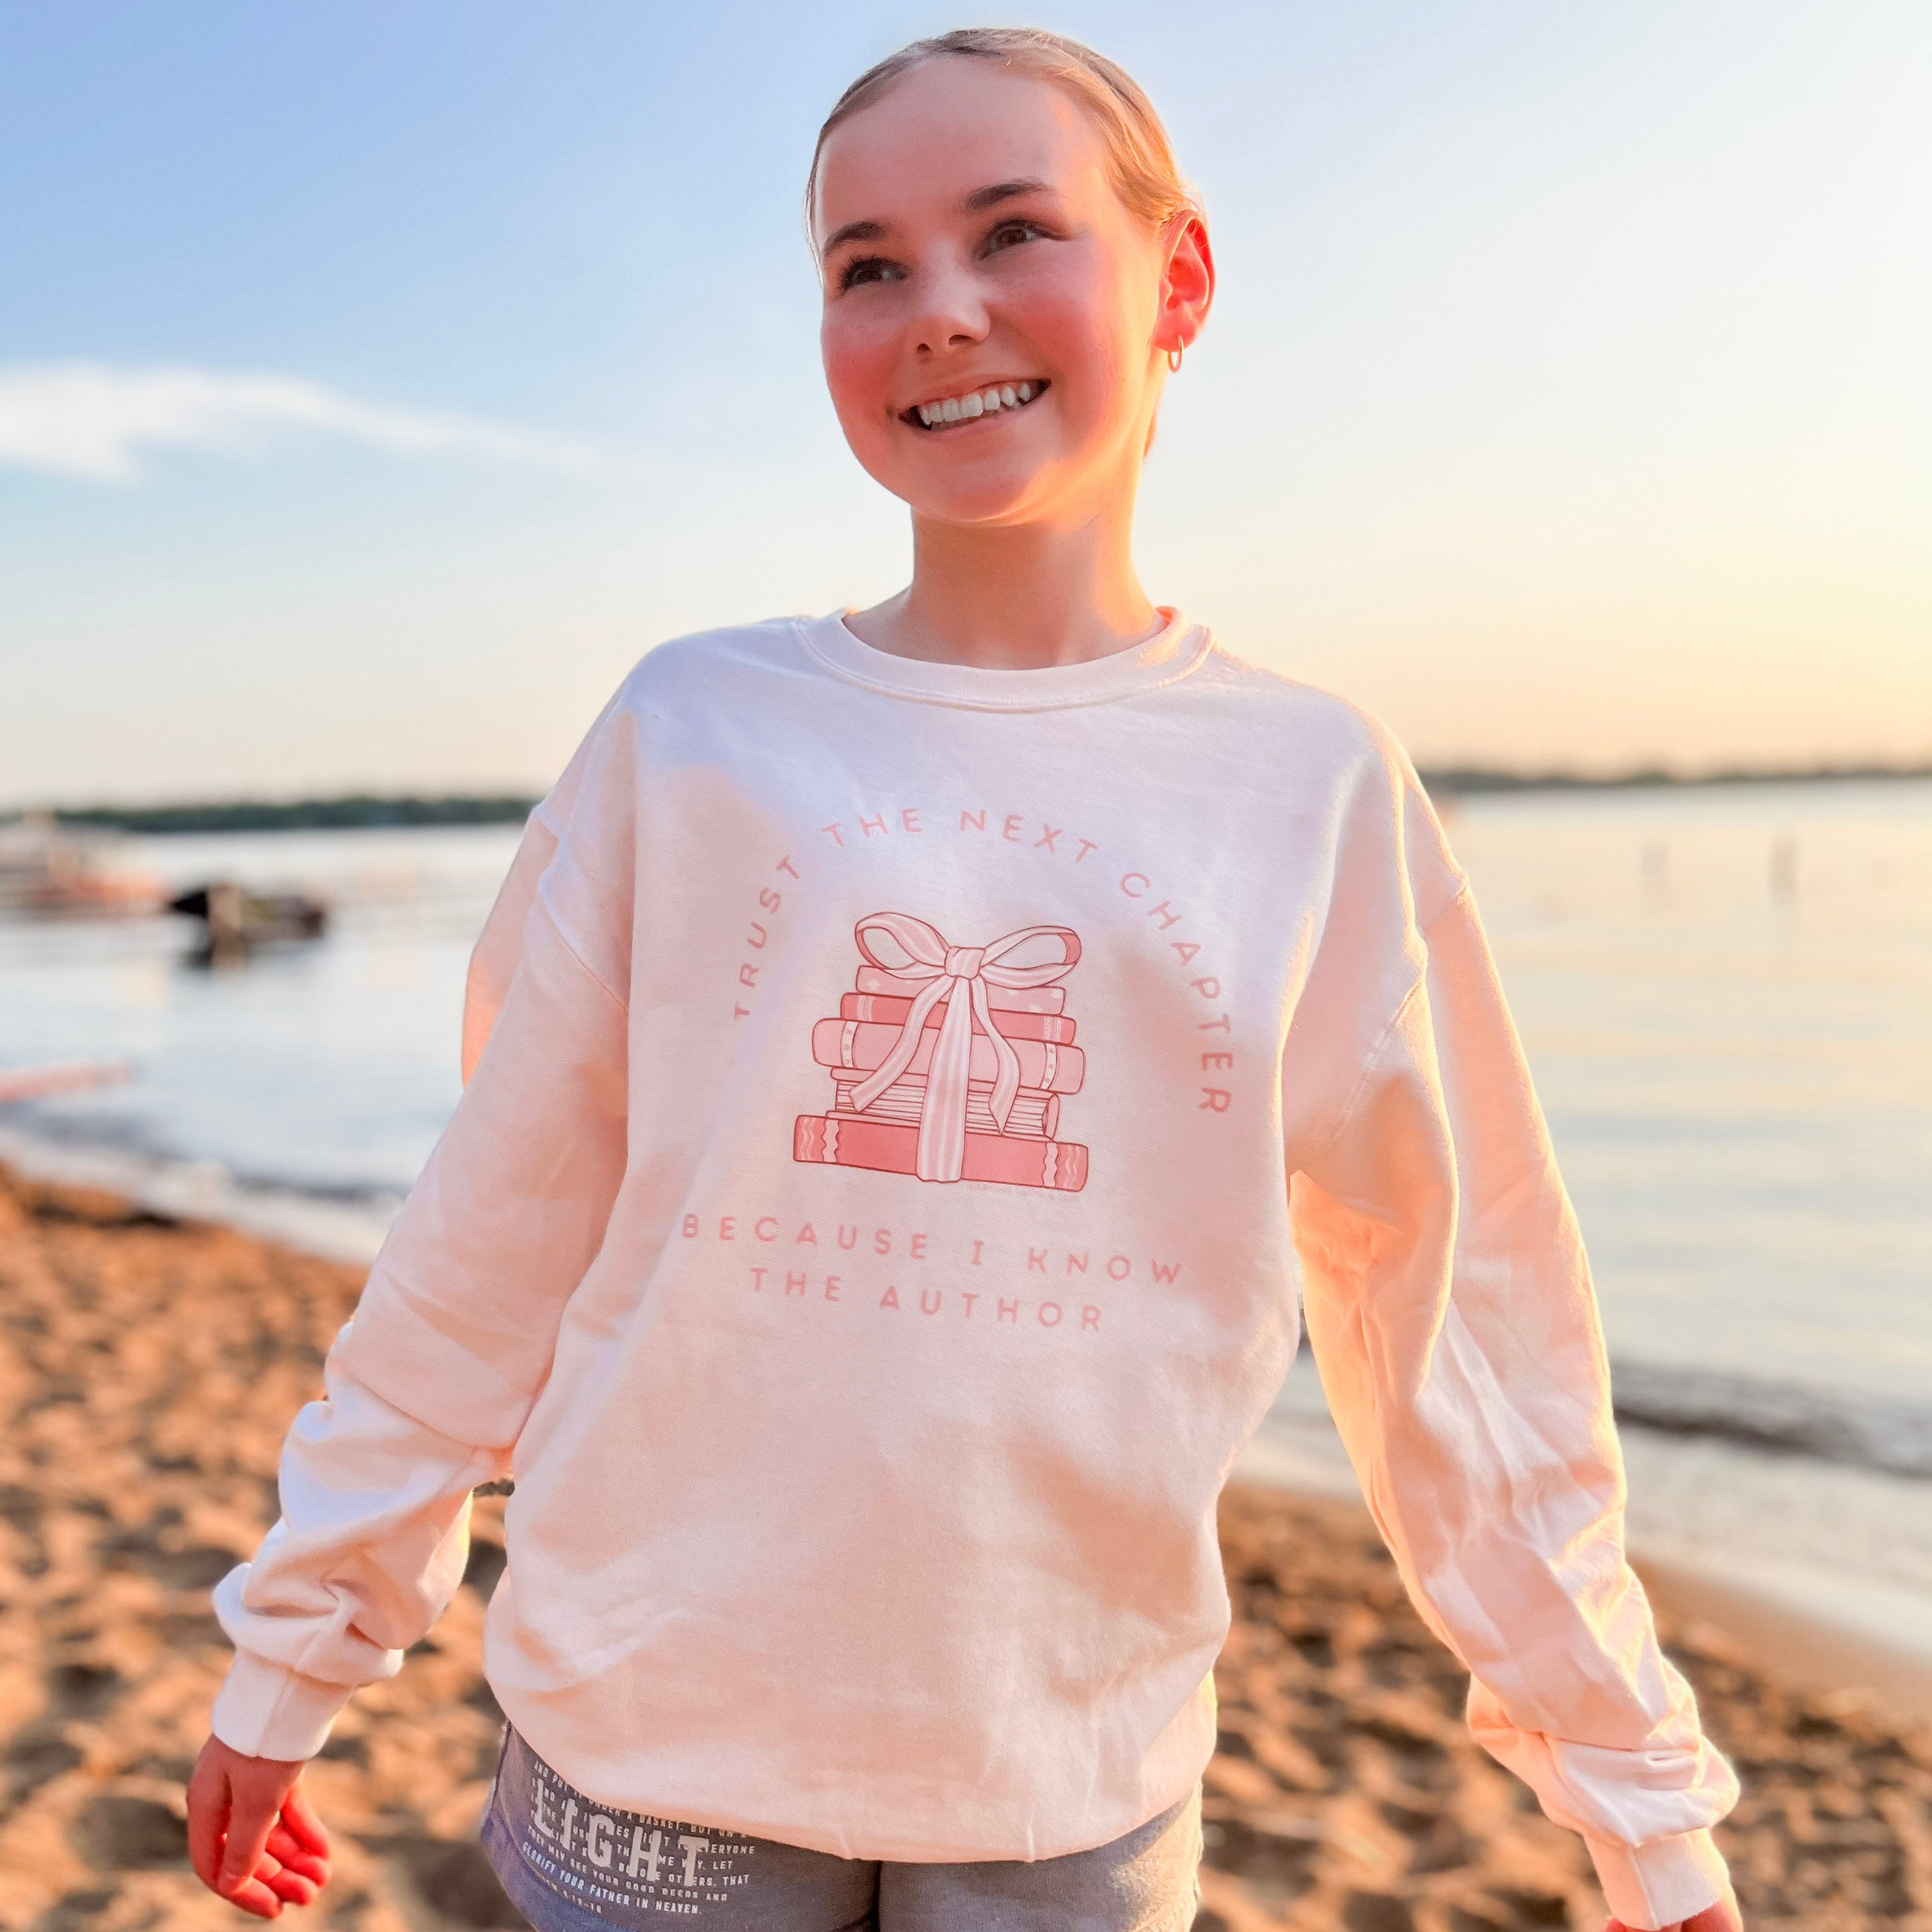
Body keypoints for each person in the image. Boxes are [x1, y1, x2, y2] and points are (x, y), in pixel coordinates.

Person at [186, 28, 1744, 1932]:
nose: (940, 309)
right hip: (652, 1727)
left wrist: (1633, 1789)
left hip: (1065, 1765)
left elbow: (1461, 1317)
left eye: (1014, 231)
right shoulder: (695, 730)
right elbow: (498, 1220)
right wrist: (302, 1639)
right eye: (869, 265)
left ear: (1177, 280)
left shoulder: (1310, 786)